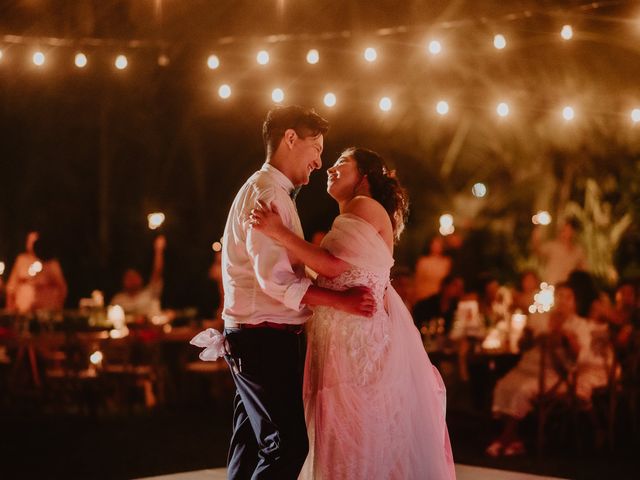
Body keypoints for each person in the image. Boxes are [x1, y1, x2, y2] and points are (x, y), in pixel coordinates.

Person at [251, 147, 455, 479]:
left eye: (341, 163)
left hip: (355, 345)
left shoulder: (365, 205)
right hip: (342, 340)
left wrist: (278, 232)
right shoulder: (354, 215)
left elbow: (331, 268)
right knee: (349, 434)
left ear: (363, 177)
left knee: (352, 433)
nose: (330, 168)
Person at [214, 106, 376, 480]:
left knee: (251, 442)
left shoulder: (269, 190)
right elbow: (276, 281)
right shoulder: (267, 192)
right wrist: (342, 301)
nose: (319, 161)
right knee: (287, 444)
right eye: (316, 147)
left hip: (256, 334)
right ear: (290, 138)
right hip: (262, 336)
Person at [487, 283, 609, 457]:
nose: (563, 301)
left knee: (522, 391)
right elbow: (523, 344)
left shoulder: (579, 325)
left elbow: (579, 356)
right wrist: (528, 336)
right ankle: (513, 439)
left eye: (568, 297)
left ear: (574, 302)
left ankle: (505, 438)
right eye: (559, 296)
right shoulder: (541, 318)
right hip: (527, 368)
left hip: (554, 375)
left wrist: (565, 337)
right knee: (503, 386)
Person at [111, 235, 166, 318]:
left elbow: (157, 271)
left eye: (134, 276)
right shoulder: (118, 300)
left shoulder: (150, 293)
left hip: (151, 330)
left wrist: (158, 250)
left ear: (141, 279)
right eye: (128, 277)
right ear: (123, 281)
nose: (132, 280)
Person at [532, 218, 588, 285]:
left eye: (566, 230)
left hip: (567, 286)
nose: (563, 232)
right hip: (552, 285)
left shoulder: (578, 251)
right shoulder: (553, 246)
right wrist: (536, 230)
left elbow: (584, 269)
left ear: (573, 232)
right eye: (562, 230)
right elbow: (538, 250)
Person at [5, 231, 39, 313]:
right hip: (21, 307)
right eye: (29, 241)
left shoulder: (46, 262)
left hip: (39, 308)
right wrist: (10, 305)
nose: (31, 244)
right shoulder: (21, 260)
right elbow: (11, 286)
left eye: (34, 242)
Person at [414, 236, 452, 302]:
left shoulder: (446, 262)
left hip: (439, 297)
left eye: (439, 245)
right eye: (434, 244)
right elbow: (417, 281)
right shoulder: (423, 262)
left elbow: (447, 281)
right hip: (424, 296)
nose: (436, 247)